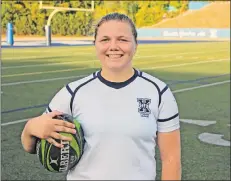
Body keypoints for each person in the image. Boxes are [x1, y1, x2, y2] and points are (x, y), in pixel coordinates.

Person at [21, 12, 181, 180]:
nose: (113, 46)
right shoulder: (73, 93)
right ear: (95, 44)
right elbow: (32, 144)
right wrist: (30, 128)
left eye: (122, 39)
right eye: (105, 40)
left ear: (135, 44)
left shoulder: (158, 92)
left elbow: (171, 160)